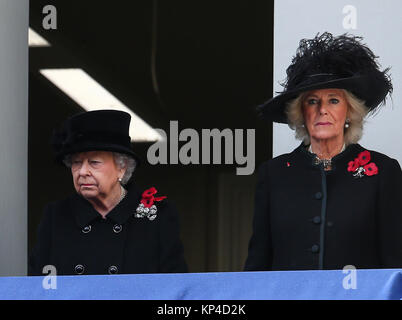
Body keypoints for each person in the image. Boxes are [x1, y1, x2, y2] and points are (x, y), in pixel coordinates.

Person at [244, 32, 402, 271]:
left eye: (334, 100)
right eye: (312, 101)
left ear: (350, 111)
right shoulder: (273, 174)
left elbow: (395, 263)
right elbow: (258, 263)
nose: (322, 110)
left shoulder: (383, 172)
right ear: (301, 113)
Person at [29, 110, 188, 275]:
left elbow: (174, 286)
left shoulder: (157, 216)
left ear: (121, 167)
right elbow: (38, 285)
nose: (82, 171)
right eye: (76, 163)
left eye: (94, 162)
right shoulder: (56, 216)